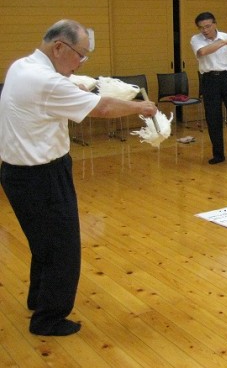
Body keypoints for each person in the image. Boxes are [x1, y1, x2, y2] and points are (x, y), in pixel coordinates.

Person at [0, 19, 157, 336]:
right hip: (40, 175)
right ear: (59, 47)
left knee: (44, 244)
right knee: (63, 248)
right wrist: (141, 107)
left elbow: (60, 87)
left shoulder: (22, 66)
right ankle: (48, 319)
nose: (82, 61)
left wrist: (78, 81)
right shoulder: (46, 82)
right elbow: (103, 109)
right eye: (80, 54)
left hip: (19, 174)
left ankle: (38, 300)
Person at [191, 12, 227, 165]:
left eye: (208, 26)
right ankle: (218, 154)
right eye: (201, 27)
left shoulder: (225, 35)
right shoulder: (196, 39)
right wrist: (223, 42)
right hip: (209, 80)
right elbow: (202, 52)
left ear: (215, 24)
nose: (205, 30)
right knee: (213, 118)